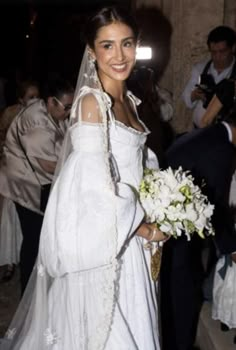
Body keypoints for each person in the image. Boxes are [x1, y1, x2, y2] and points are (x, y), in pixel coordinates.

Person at [0, 6, 167, 350]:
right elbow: (94, 192)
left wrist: (162, 201)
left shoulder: (131, 101)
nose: (119, 56)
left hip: (132, 240)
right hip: (109, 243)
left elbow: (138, 164)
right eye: (107, 46)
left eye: (127, 43)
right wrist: (144, 227)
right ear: (92, 51)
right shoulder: (92, 103)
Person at [160, 115, 236, 350]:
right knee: (183, 297)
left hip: (170, 220)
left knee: (183, 288)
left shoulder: (209, 132)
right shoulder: (222, 149)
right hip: (175, 231)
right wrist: (231, 247)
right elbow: (215, 207)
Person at [0, 78, 74, 294]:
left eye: (71, 106)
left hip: (40, 181)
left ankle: (44, 288)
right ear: (51, 102)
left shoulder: (51, 112)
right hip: (24, 185)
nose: (69, 112)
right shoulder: (36, 124)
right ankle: (28, 294)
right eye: (66, 107)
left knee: (46, 234)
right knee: (33, 237)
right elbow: (50, 165)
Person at [0, 79, 40, 282]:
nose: (35, 100)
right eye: (30, 97)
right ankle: (11, 263)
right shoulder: (12, 115)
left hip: (35, 179)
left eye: (37, 96)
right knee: (14, 223)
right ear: (21, 100)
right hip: (16, 178)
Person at [182, 25, 236, 128]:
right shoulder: (200, 68)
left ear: (232, 48)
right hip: (201, 131)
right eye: (213, 52)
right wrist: (195, 95)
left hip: (228, 136)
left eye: (222, 51)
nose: (218, 57)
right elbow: (186, 97)